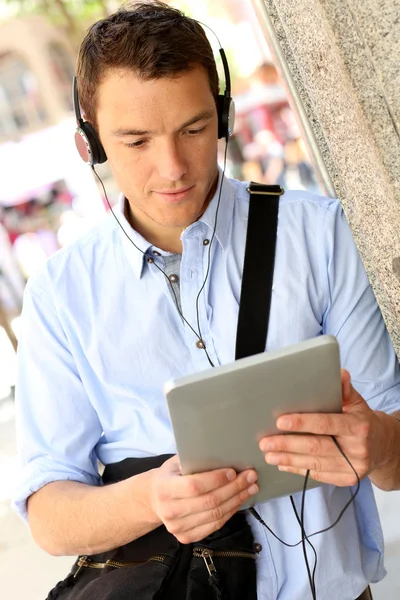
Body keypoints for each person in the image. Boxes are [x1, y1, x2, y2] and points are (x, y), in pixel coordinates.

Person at [12, 2, 400, 599]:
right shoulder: (60, 296)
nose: (172, 168)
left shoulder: (318, 235)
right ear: (90, 144)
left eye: (192, 129)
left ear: (222, 118)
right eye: (136, 140)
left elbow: (395, 452)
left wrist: (377, 442)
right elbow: (49, 516)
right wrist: (151, 499)